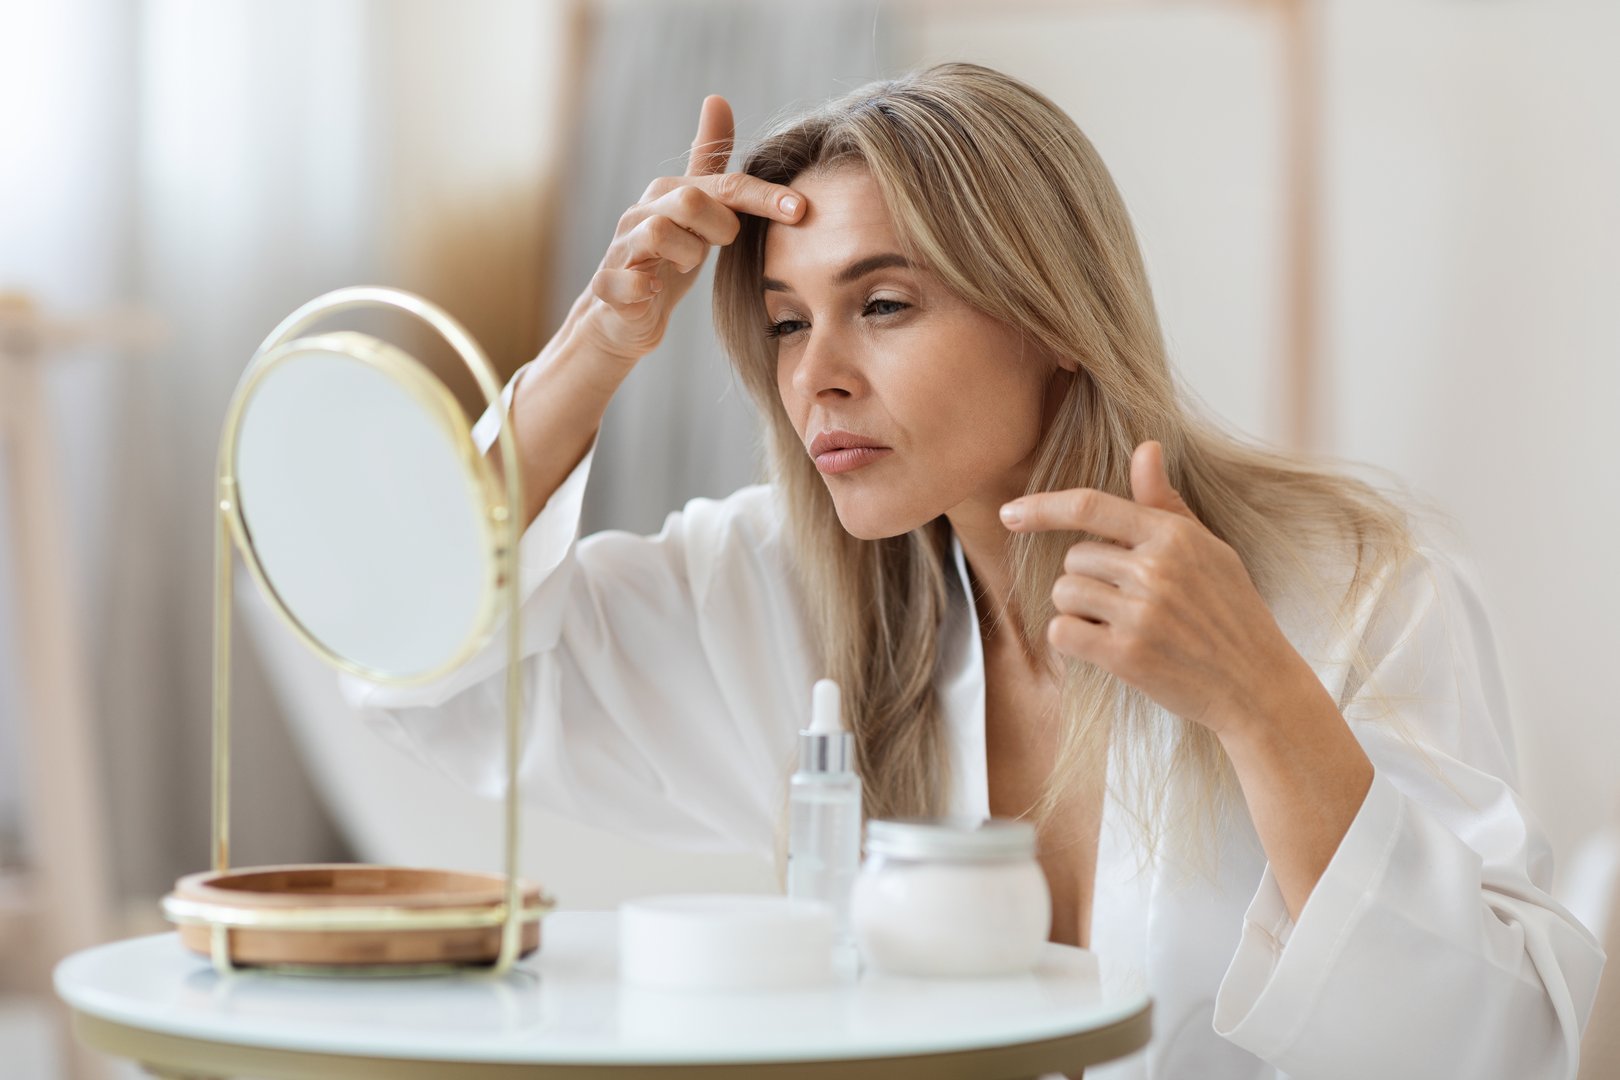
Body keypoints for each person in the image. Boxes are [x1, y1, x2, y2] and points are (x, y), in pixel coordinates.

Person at [340, 62, 1604, 1077]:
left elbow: (1500, 1050)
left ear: (1051, 314)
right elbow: (423, 674)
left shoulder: (1358, 584)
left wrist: (1261, 701)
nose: (814, 376)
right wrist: (597, 345)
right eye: (787, 321)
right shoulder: (783, 590)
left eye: (882, 305)